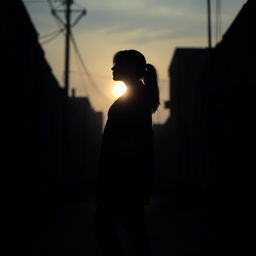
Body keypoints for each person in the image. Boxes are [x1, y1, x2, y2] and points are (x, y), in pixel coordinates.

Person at [95, 49, 160, 256]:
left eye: (117, 65)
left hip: (124, 179)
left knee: (107, 227)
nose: (112, 68)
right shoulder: (135, 95)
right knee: (134, 231)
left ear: (129, 68)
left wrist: (113, 176)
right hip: (127, 178)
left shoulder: (134, 98)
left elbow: (129, 142)